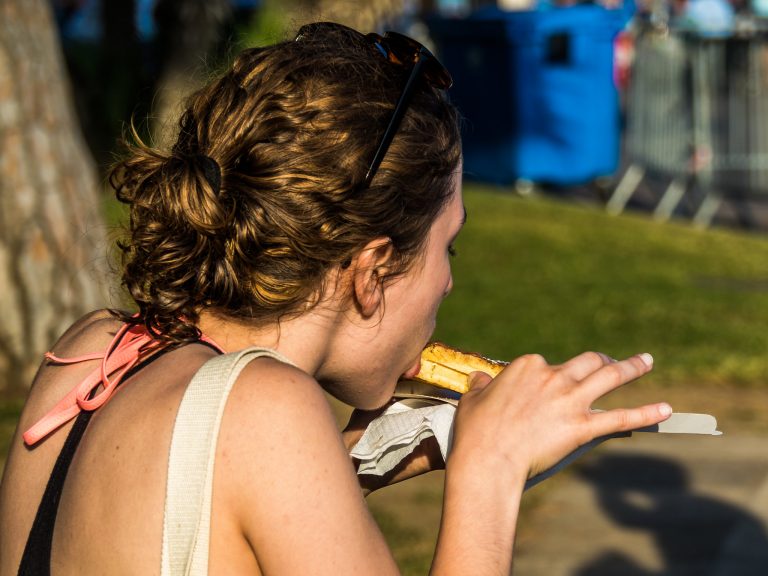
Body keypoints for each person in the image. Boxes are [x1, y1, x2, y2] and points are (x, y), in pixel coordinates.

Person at [0, 21, 671, 575]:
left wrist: (348, 462)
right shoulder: (267, 412)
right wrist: (489, 470)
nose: (449, 282)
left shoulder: (94, 351)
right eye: (449, 248)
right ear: (372, 269)